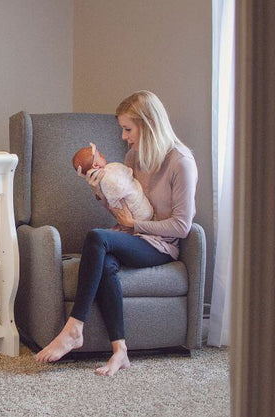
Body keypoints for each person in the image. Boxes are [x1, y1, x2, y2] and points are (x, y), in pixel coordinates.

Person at [35, 90, 198, 377]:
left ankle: (74, 328)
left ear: (148, 125)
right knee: (106, 265)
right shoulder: (134, 157)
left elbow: (182, 227)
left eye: (127, 129)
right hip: (135, 237)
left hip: (161, 245)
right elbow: (124, 211)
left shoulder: (181, 162)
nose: (123, 136)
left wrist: (135, 227)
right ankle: (119, 351)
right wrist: (99, 190)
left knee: (97, 237)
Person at [72, 142, 154, 223]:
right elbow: (114, 204)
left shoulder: (110, 171)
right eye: (100, 155)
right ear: (95, 165)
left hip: (140, 219)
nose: (103, 155)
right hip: (139, 215)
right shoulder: (108, 177)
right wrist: (98, 192)